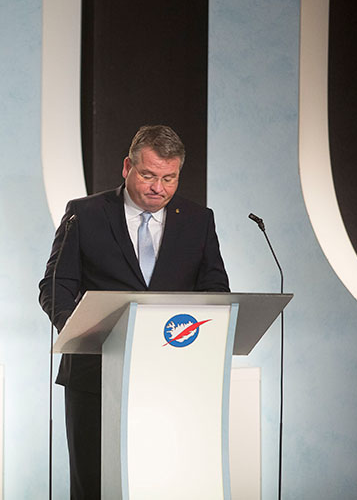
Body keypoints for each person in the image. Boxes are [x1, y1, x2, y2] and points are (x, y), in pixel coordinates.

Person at [38, 124, 230, 499]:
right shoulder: (84, 214)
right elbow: (55, 286)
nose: (159, 187)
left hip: (172, 378)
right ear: (127, 167)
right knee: (94, 485)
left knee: (162, 484)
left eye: (169, 178)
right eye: (148, 175)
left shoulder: (198, 220)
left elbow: (215, 290)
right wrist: (80, 331)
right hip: (95, 376)